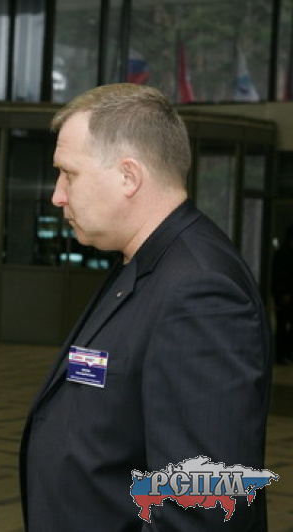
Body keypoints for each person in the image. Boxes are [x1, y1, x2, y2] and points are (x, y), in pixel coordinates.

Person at [20, 84, 272, 531]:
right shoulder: (145, 262)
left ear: (128, 176)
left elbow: (201, 511)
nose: (58, 195)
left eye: (69, 174)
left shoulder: (200, 292)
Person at [272, 226, 293, 364]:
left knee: (282, 326)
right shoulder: (284, 254)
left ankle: (284, 353)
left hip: (284, 295)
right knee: (282, 326)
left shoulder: (284, 253)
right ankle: (282, 354)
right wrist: (283, 293)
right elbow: (280, 276)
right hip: (284, 295)